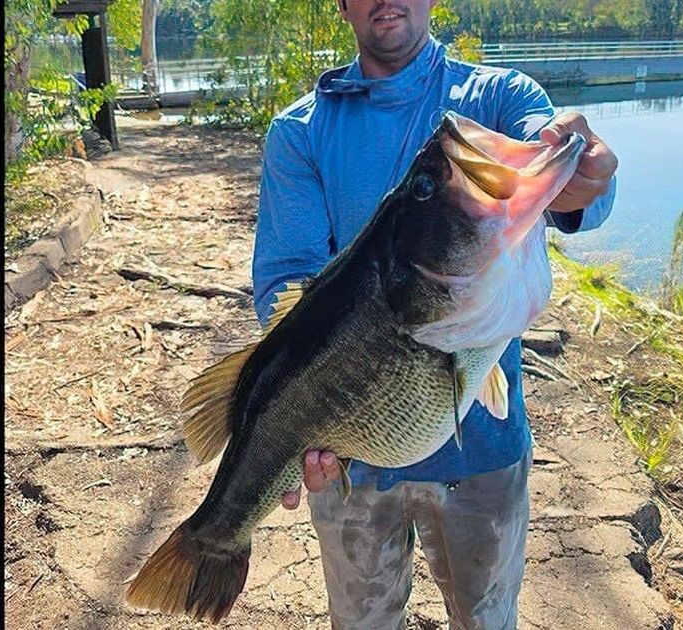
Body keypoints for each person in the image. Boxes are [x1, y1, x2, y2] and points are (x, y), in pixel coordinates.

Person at [250, 2, 618, 628]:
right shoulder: (300, 132)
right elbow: (285, 287)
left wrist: (583, 179)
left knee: (487, 617)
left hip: (484, 453)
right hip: (352, 461)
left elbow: (562, 165)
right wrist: (301, 415)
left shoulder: (498, 96)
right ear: (342, 5)